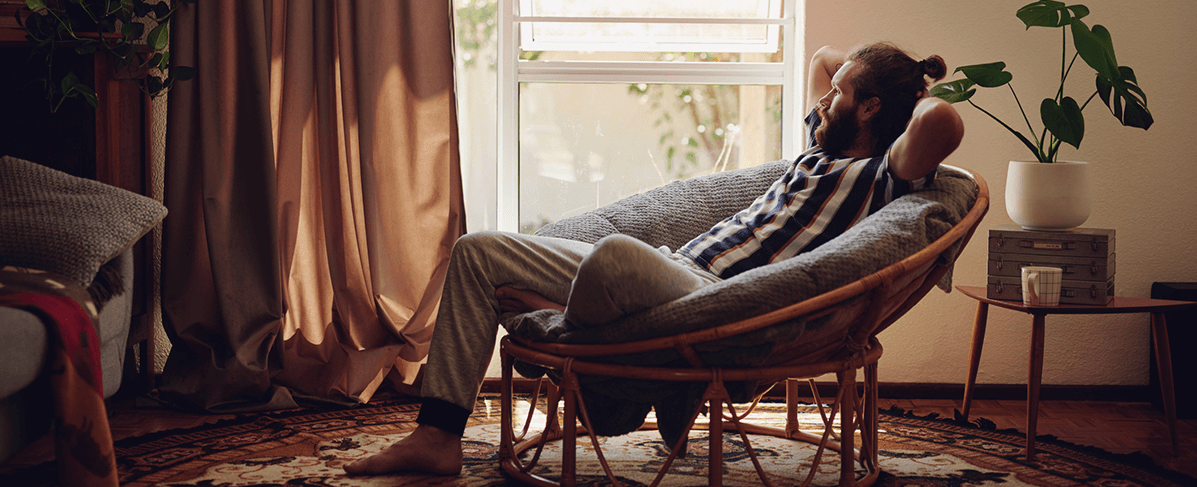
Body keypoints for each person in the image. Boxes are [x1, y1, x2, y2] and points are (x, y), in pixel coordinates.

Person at [343, 42, 964, 476]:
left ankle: (572, 334)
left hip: (711, 298)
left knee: (612, 258)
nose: (824, 97)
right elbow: (823, 58)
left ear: (873, 109)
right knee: (476, 251)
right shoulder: (819, 149)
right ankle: (437, 435)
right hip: (670, 271)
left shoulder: (884, 174)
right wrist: (862, 76)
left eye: (840, 94)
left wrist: (915, 81)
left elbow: (943, 122)